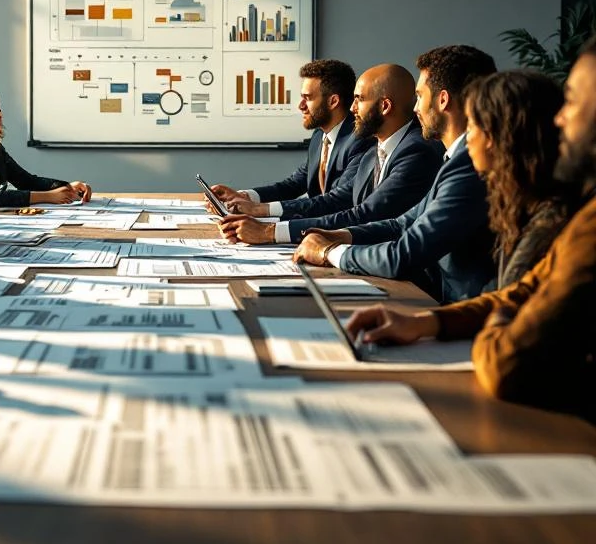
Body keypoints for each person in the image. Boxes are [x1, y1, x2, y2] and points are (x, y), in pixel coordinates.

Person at [346, 44, 596, 422]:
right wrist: (427, 323)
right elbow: (519, 294)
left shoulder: (570, 223)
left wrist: (498, 318)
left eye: (573, 102)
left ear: (496, 137)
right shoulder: (552, 212)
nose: (562, 120)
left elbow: (506, 360)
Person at [294, 45, 498, 304]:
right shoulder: (455, 159)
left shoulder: (469, 165)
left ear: (443, 99)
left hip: (462, 312)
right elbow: (402, 223)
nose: (415, 109)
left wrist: (329, 251)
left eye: (419, 96)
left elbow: (402, 255)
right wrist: (343, 235)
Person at [219, 64, 441, 244]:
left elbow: (362, 214)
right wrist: (256, 209)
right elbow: (345, 203)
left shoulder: (416, 151)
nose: (352, 108)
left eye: (359, 99)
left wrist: (270, 231)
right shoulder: (375, 149)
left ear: (385, 106)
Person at [210, 60, 372, 220]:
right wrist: (245, 196)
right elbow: (294, 184)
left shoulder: (359, 139)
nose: (301, 105)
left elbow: (337, 201)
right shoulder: (319, 137)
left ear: (333, 101)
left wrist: (261, 209)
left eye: (307, 98)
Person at [463, 70, 572, 287]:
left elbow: (511, 302)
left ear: (493, 136)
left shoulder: (549, 225)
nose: (467, 138)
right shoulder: (520, 201)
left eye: (469, 126)